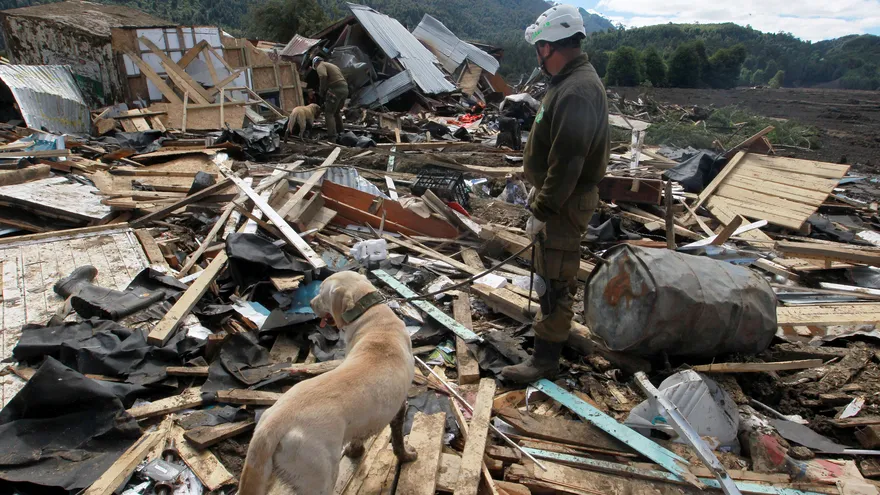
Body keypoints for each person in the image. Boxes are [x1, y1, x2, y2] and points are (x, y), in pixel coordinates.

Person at [500, 4, 610, 383]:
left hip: (563, 202)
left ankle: (545, 360)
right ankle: (546, 339)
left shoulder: (578, 90)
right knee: (549, 272)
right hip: (558, 198)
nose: (537, 56)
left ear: (549, 47)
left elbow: (569, 162)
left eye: (538, 48)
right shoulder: (567, 83)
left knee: (557, 280)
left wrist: (543, 209)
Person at [313, 57, 349, 141]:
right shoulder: (332, 65)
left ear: (315, 64)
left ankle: (332, 137)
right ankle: (341, 133)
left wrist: (322, 90)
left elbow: (323, 75)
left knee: (329, 113)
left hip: (336, 89)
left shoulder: (320, 65)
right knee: (336, 112)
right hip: (345, 89)